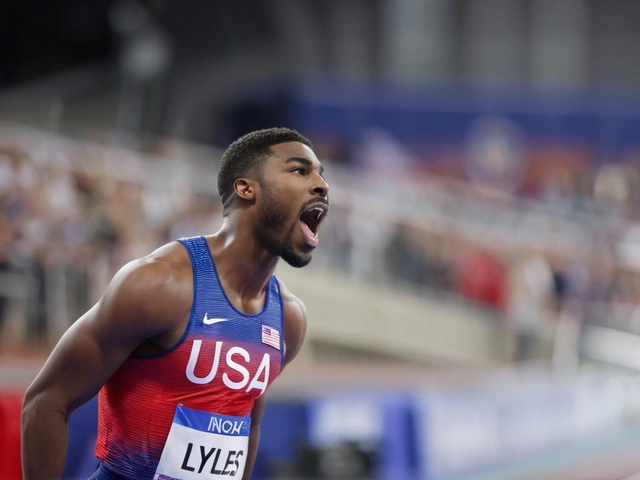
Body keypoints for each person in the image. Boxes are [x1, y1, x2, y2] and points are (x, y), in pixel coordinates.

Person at [21, 127, 330, 480]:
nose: (322, 184)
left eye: (322, 173)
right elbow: (46, 401)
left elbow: (247, 423)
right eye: (300, 170)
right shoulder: (159, 284)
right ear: (246, 188)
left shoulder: (288, 319)